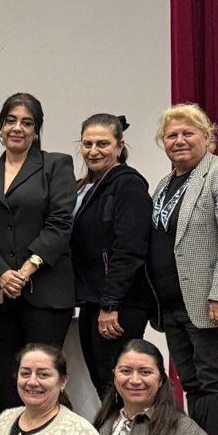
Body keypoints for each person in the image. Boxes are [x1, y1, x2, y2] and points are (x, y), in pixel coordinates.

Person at [0, 93, 77, 413]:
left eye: (27, 123)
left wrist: (25, 270)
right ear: (0, 127)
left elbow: (60, 222)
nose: (18, 128)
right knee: (7, 378)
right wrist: (1, 273)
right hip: (1, 296)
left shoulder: (56, 165)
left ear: (36, 131)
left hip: (47, 293)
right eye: (11, 121)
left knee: (43, 378)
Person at [148, 103, 218, 402]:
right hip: (173, 307)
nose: (179, 141)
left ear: (207, 137)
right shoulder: (164, 184)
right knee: (191, 386)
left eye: (188, 133)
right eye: (171, 136)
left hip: (212, 306)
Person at [70, 114, 154, 397]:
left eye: (103, 143)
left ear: (120, 146)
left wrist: (111, 304)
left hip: (120, 303)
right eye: (87, 144)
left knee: (118, 384)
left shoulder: (128, 185)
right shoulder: (85, 187)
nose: (93, 151)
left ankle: (133, 428)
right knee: (102, 383)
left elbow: (130, 249)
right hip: (93, 300)